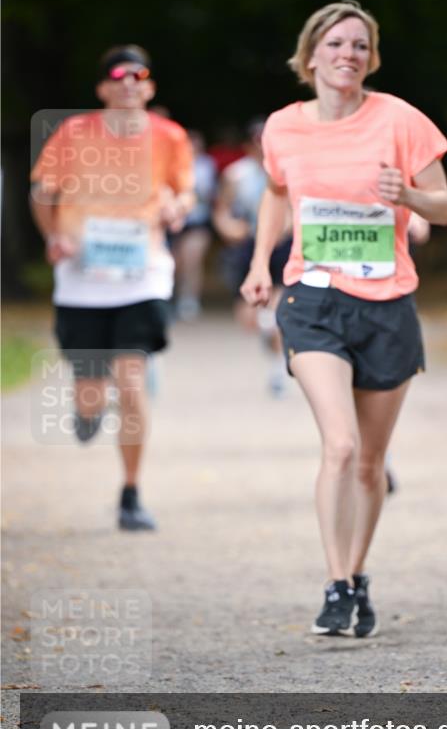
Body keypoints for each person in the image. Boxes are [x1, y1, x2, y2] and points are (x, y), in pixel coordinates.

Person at [241, 0, 447, 636]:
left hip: (387, 304)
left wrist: (408, 195)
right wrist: (259, 263)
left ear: (373, 58)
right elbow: (276, 195)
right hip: (313, 299)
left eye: (360, 46)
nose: (348, 55)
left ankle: (358, 574)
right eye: (336, 44)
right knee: (339, 444)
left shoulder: (400, 120)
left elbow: (443, 207)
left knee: (369, 463)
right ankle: (335, 586)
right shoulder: (284, 126)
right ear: (312, 57)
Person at [30, 44, 194, 531]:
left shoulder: (170, 136)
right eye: (117, 75)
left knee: (131, 380)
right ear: (102, 87)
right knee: (91, 393)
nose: (128, 82)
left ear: (149, 86)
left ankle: (130, 492)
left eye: (138, 74)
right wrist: (53, 235)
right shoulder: (73, 132)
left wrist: (176, 208)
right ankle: (87, 410)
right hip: (82, 278)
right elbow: (42, 191)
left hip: (142, 274)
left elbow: (184, 191)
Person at [214, 119, 292, 395]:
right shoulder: (236, 175)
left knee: (280, 309)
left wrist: (283, 229)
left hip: (283, 245)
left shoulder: (292, 172)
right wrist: (230, 228)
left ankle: (278, 369)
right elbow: (221, 212)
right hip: (248, 244)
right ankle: (268, 332)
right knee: (249, 316)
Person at [172, 130, 218, 320]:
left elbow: (211, 194)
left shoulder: (207, 165)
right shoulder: (173, 163)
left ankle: (189, 299)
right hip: (175, 221)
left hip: (198, 221)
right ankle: (171, 297)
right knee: (176, 262)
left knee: (192, 260)